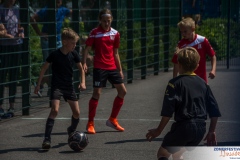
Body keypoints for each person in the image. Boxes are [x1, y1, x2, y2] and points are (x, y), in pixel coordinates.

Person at [146, 47, 221, 160]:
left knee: (163, 154)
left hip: (183, 127)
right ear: (197, 65)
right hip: (200, 129)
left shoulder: (174, 83)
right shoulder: (203, 84)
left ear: (179, 64)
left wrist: (158, 130)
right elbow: (214, 110)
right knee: (177, 155)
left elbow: (168, 112)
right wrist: (211, 131)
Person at [34, 28, 86, 150]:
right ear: (65, 42)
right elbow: (43, 68)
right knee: (55, 110)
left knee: (77, 113)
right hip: (57, 86)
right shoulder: (55, 55)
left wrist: (82, 82)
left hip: (68, 86)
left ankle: (71, 130)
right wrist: (38, 84)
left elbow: (81, 69)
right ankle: (47, 139)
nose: (74, 45)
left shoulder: (74, 54)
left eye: (75, 43)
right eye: (73, 43)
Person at [82, 8, 127, 134]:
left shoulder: (115, 33)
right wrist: (84, 62)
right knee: (97, 93)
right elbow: (87, 49)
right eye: (104, 21)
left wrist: (120, 69)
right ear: (100, 20)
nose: (106, 23)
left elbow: (116, 53)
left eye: (108, 21)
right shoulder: (95, 32)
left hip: (112, 67)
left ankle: (113, 119)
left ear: (111, 19)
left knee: (122, 91)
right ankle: (90, 123)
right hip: (99, 66)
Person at [30, 0, 72, 96]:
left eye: (60, 1)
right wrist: (39, 33)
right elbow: (32, 19)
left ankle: (45, 85)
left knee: (57, 63)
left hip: (58, 40)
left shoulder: (62, 10)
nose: (58, 2)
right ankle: (45, 86)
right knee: (48, 63)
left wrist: (90, 7)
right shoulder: (45, 10)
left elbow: (73, 11)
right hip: (47, 39)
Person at [172, 17, 216, 83]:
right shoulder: (181, 44)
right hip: (186, 80)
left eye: (185, 31)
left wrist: (213, 70)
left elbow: (213, 56)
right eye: (181, 32)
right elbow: (176, 63)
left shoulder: (203, 40)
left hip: (201, 79)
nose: (183, 34)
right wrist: (174, 80)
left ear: (192, 29)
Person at [0, 0, 24, 116]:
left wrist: (21, 32)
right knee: (2, 75)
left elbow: (20, 25)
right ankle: (0, 106)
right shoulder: (1, 9)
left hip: (16, 45)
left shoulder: (17, 9)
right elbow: (1, 30)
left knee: (13, 75)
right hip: (4, 46)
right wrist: (8, 35)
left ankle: (11, 106)